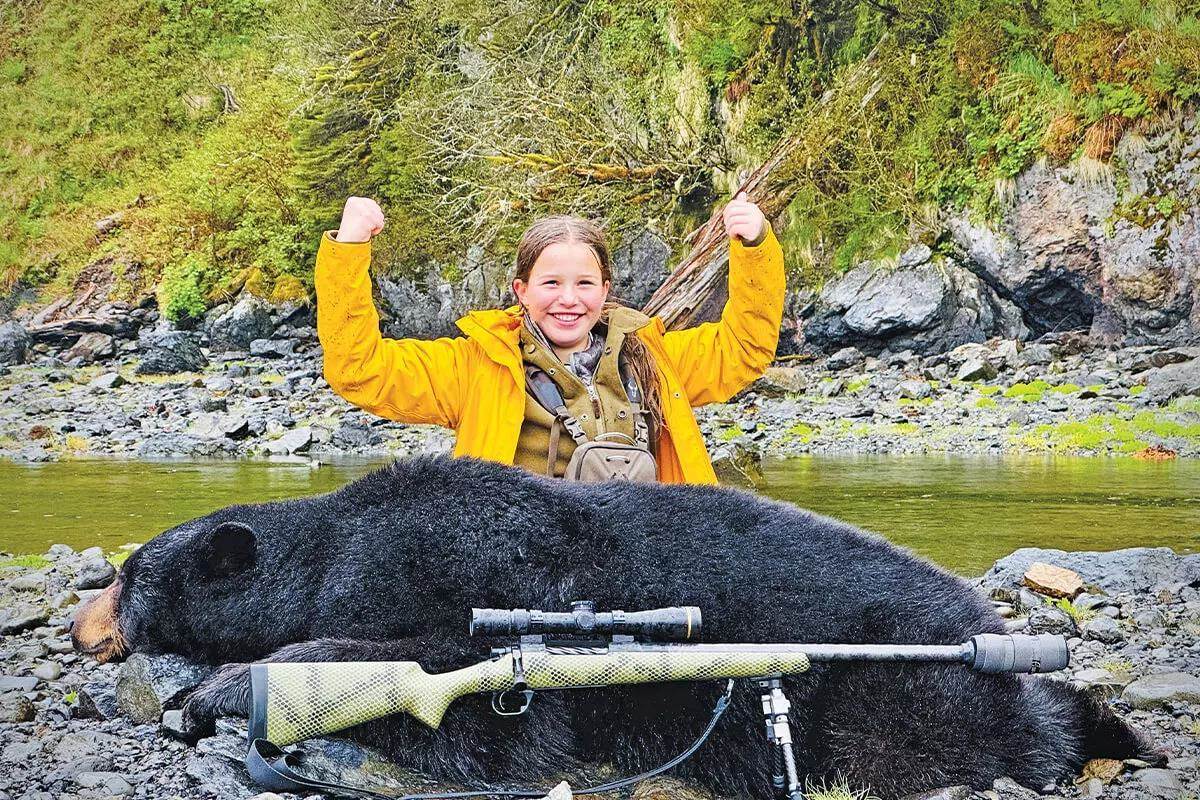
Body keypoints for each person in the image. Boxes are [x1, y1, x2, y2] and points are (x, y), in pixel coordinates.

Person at [315, 193, 785, 484]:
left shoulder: (654, 358)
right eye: (550, 284)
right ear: (521, 291)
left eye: (584, 284)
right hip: (523, 567)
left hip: (648, 558)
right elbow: (360, 369)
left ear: (605, 292)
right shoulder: (475, 366)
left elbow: (745, 349)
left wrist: (756, 247)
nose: (568, 300)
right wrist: (348, 249)